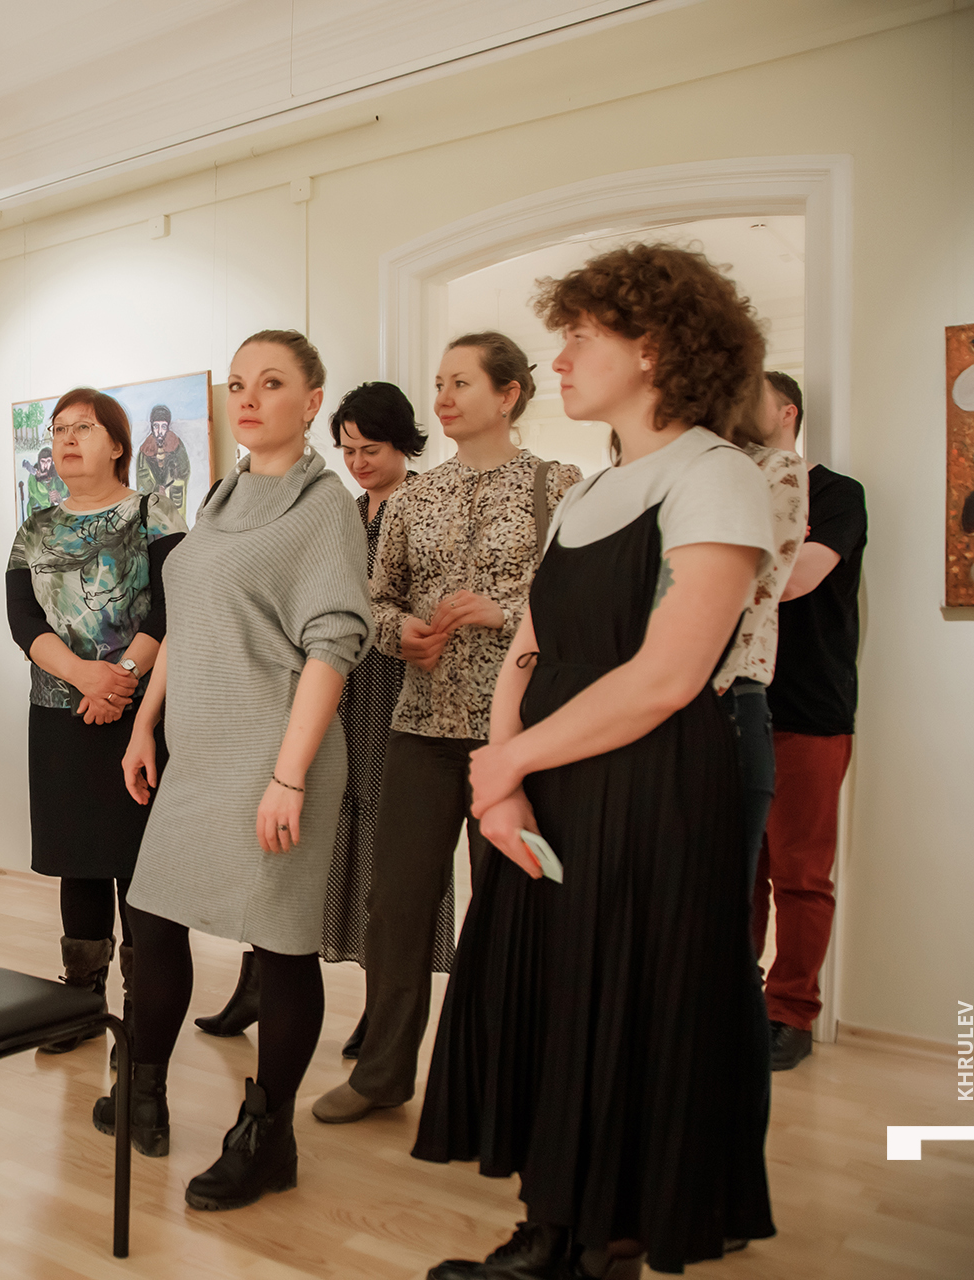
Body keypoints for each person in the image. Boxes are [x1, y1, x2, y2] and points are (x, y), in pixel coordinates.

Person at [415, 243, 777, 1279]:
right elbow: (526, 651)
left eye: (580, 336)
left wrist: (506, 765)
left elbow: (667, 676)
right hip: (552, 781)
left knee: (623, 1004)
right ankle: (553, 1222)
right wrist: (504, 776)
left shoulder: (717, 477)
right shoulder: (591, 493)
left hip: (651, 788)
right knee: (552, 1000)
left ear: (654, 347)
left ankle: (597, 1242)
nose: (561, 358)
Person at [96, 329, 373, 1211]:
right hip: (199, 754)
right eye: (240, 383)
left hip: (276, 755)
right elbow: (188, 621)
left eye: (272, 383)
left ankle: (267, 1136)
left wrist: (288, 777)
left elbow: (333, 643)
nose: (248, 398)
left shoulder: (323, 506)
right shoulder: (219, 496)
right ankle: (142, 1088)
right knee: (152, 918)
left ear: (312, 402)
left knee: (280, 946)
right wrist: (146, 725)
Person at [317, 334, 580, 1126]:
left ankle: (506, 1081)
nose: (444, 397)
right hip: (422, 726)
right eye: (440, 383)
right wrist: (402, 634)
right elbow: (375, 599)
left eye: (461, 382)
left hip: (520, 735)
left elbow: (582, 600)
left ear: (508, 395)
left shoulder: (559, 486)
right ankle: (382, 1074)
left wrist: (504, 612)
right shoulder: (415, 499)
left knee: (511, 908)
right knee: (395, 902)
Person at [194, 382, 426, 1059]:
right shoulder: (337, 509)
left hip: (393, 695)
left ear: (402, 443)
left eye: (370, 448)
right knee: (290, 849)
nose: (357, 462)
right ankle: (257, 982)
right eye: (347, 449)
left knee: (379, 854)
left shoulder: (424, 507)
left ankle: (381, 1011)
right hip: (326, 688)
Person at [5, 388, 186, 1055]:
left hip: (142, 718)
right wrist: (85, 677)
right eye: (58, 430)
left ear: (116, 443)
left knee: (141, 864)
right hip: (60, 715)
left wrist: (122, 678)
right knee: (77, 862)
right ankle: (81, 1004)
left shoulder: (154, 513)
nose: (66, 439)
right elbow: (23, 619)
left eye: (83, 427)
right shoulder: (35, 528)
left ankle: (142, 1011)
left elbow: (170, 609)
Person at [751, 370, 867, 1072]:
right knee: (738, 872)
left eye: (751, 395)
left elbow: (796, 580)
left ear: (788, 411)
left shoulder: (836, 494)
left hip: (810, 710)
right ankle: (732, 999)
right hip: (734, 705)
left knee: (800, 874)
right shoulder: (729, 489)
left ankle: (790, 1012)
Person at [714, 387, 809, 894]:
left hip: (732, 692)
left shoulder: (775, 469)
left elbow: (764, 589)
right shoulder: (643, 474)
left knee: (736, 891)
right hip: (649, 704)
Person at [135, 404, 192, 514]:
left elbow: (184, 471)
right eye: (156, 426)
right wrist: (157, 489)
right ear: (152, 427)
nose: (160, 431)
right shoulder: (145, 450)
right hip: (153, 501)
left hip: (174, 497)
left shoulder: (176, 445)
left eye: (163, 426)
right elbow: (142, 477)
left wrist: (169, 486)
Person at [22, 446, 68, 515]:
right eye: (43, 461)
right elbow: (36, 494)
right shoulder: (33, 476)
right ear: (39, 462)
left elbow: (64, 490)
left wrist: (59, 495)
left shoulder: (53, 475)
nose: (45, 465)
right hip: (36, 513)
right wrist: (49, 498)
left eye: (48, 461)